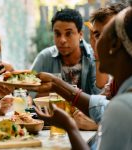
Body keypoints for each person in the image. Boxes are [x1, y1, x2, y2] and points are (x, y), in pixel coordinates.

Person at [35, 4, 132, 149]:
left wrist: (70, 127)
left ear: (115, 44)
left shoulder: (122, 107)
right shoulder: (120, 92)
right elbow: (100, 107)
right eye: (94, 35)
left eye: (100, 35)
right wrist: (56, 84)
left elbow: (105, 110)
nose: (93, 43)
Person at [30, 8, 107, 95]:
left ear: (80, 34)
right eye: (57, 34)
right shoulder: (44, 57)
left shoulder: (94, 56)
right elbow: (29, 91)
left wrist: (98, 55)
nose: (62, 40)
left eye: (68, 33)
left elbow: (101, 95)